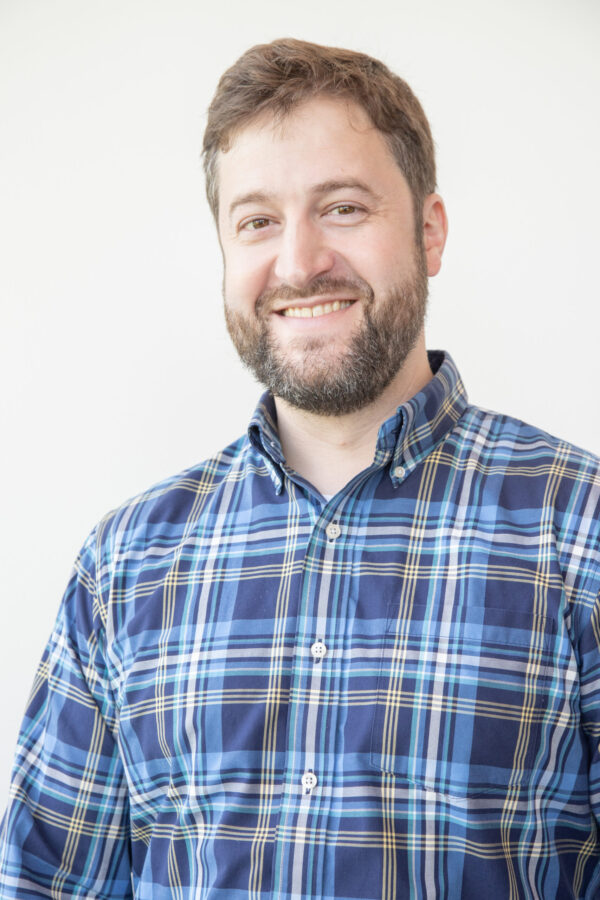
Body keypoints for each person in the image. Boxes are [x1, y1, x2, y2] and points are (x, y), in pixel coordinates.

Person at [1, 36, 599, 900]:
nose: (298, 261)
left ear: (429, 232)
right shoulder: (122, 567)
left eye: (344, 208)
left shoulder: (576, 527)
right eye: (257, 221)